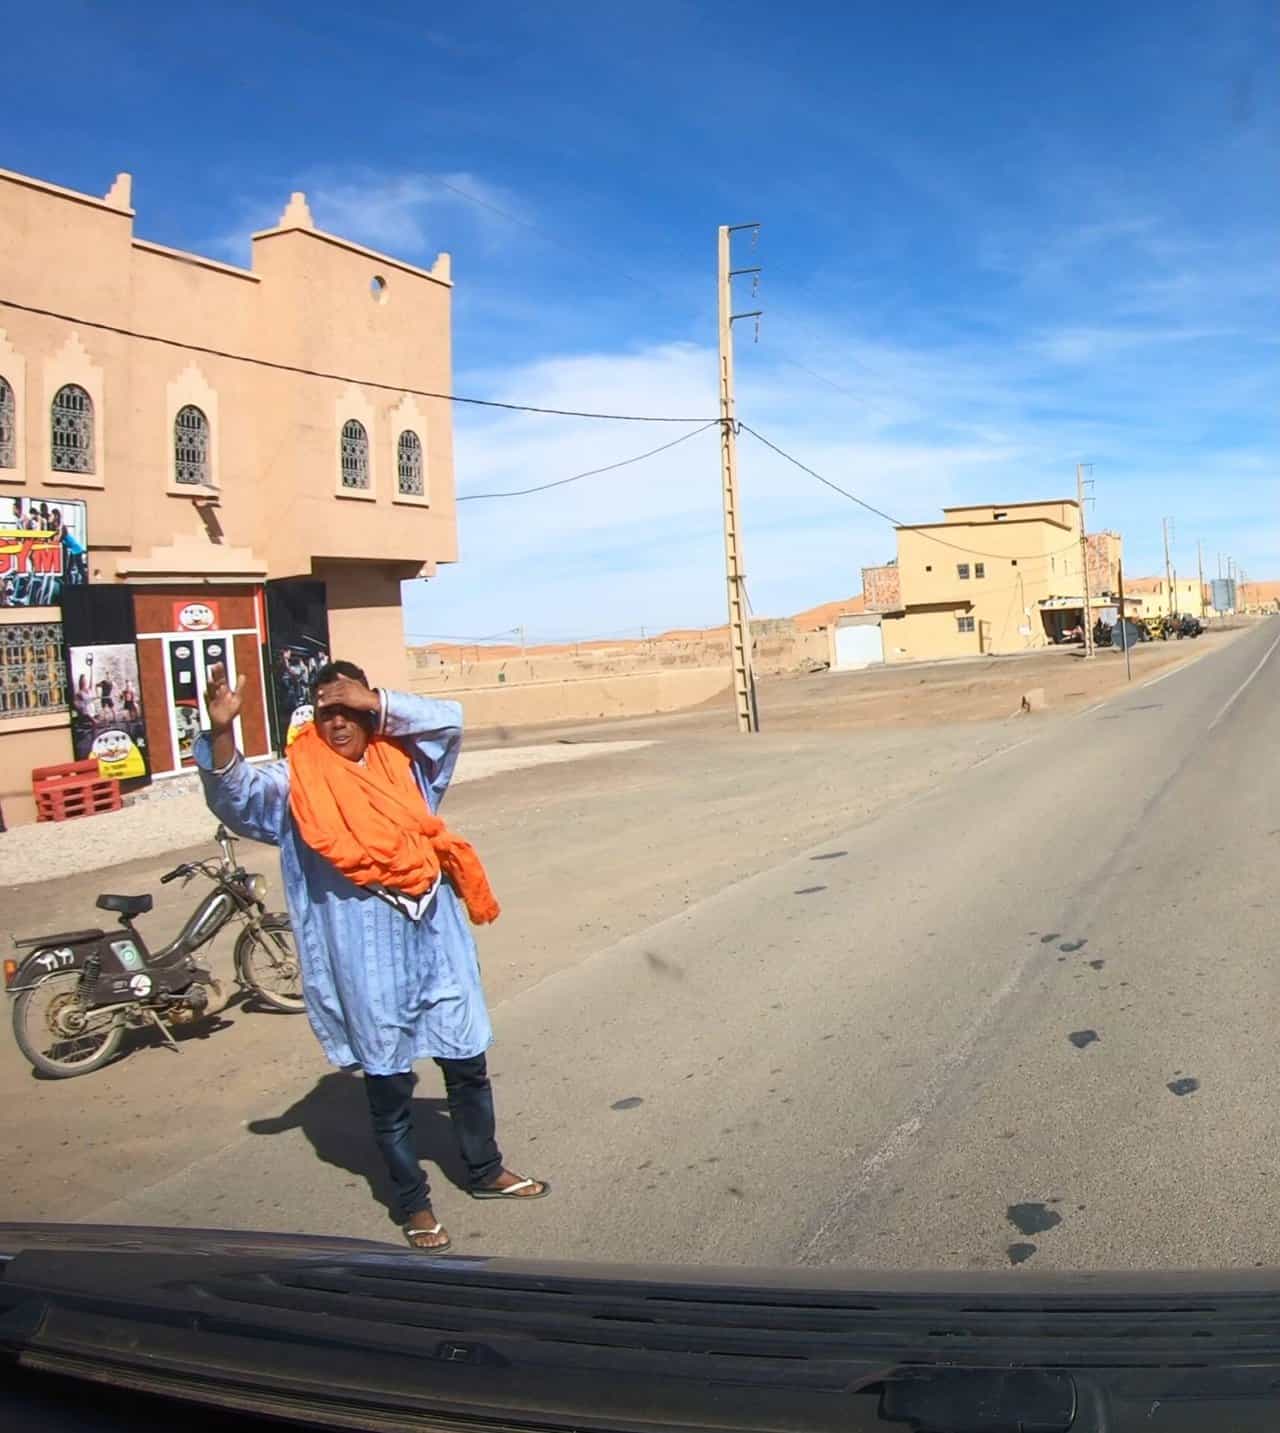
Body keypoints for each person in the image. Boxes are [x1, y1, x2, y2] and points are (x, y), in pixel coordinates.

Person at [196, 659, 548, 1252]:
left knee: (467, 1062)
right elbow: (237, 797)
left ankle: (485, 1170)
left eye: (348, 710)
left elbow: (449, 723)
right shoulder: (297, 780)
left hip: (435, 945)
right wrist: (224, 730)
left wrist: (376, 699)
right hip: (367, 962)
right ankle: (413, 1203)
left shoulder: (406, 766)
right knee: (390, 1086)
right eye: (325, 711)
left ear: (368, 710)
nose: (337, 723)